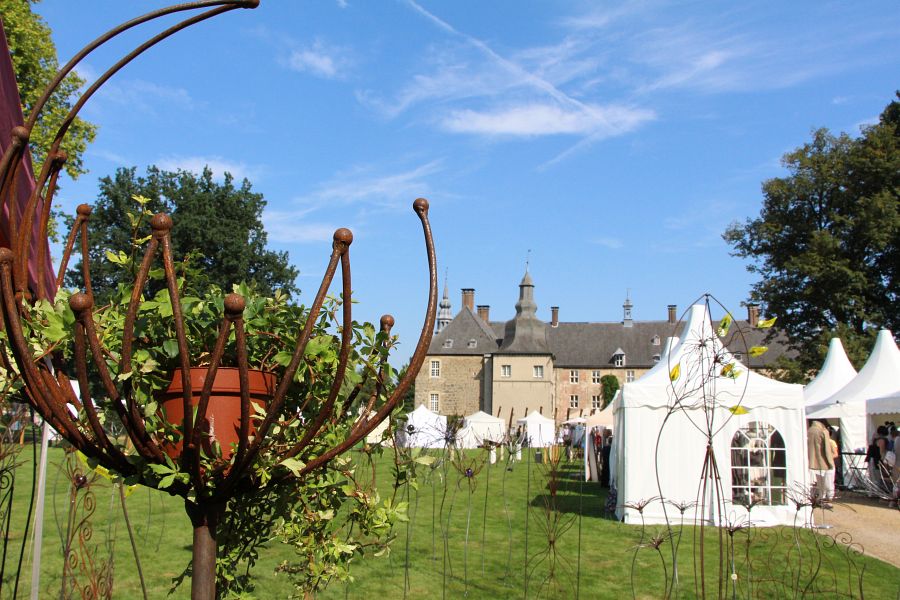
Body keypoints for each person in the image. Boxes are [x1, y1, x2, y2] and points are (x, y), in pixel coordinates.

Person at [807, 419, 835, 505]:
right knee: (826, 483)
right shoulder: (823, 431)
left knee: (815, 483)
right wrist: (830, 463)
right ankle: (827, 500)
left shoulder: (808, 430)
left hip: (809, 461)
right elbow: (827, 449)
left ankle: (815, 499)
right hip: (822, 461)